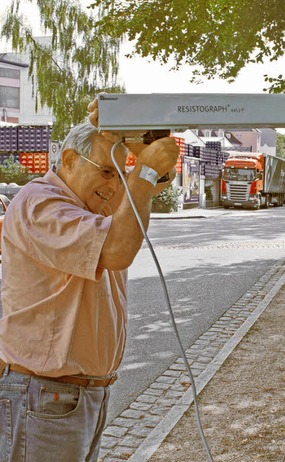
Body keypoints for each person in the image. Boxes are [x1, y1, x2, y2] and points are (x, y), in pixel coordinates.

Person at [0, 99, 179, 461]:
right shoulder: (41, 203)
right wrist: (141, 170)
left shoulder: (88, 204)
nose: (115, 186)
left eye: (120, 172)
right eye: (106, 171)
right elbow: (116, 250)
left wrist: (142, 145)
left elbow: (149, 187)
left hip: (73, 398)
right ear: (68, 160)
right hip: (47, 397)